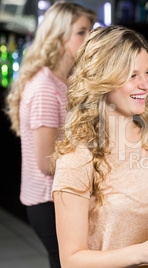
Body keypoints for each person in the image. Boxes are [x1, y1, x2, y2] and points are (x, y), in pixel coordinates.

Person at [52, 25, 148, 268]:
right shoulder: (77, 158)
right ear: (102, 80)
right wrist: (142, 253)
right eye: (132, 75)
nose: (146, 84)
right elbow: (71, 260)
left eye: (147, 72)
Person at [5, 2, 97, 267]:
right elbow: (47, 163)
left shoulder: (64, 80)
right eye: (81, 32)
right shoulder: (46, 87)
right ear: (58, 36)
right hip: (49, 200)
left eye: (89, 31)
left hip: (61, 196)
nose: (88, 38)